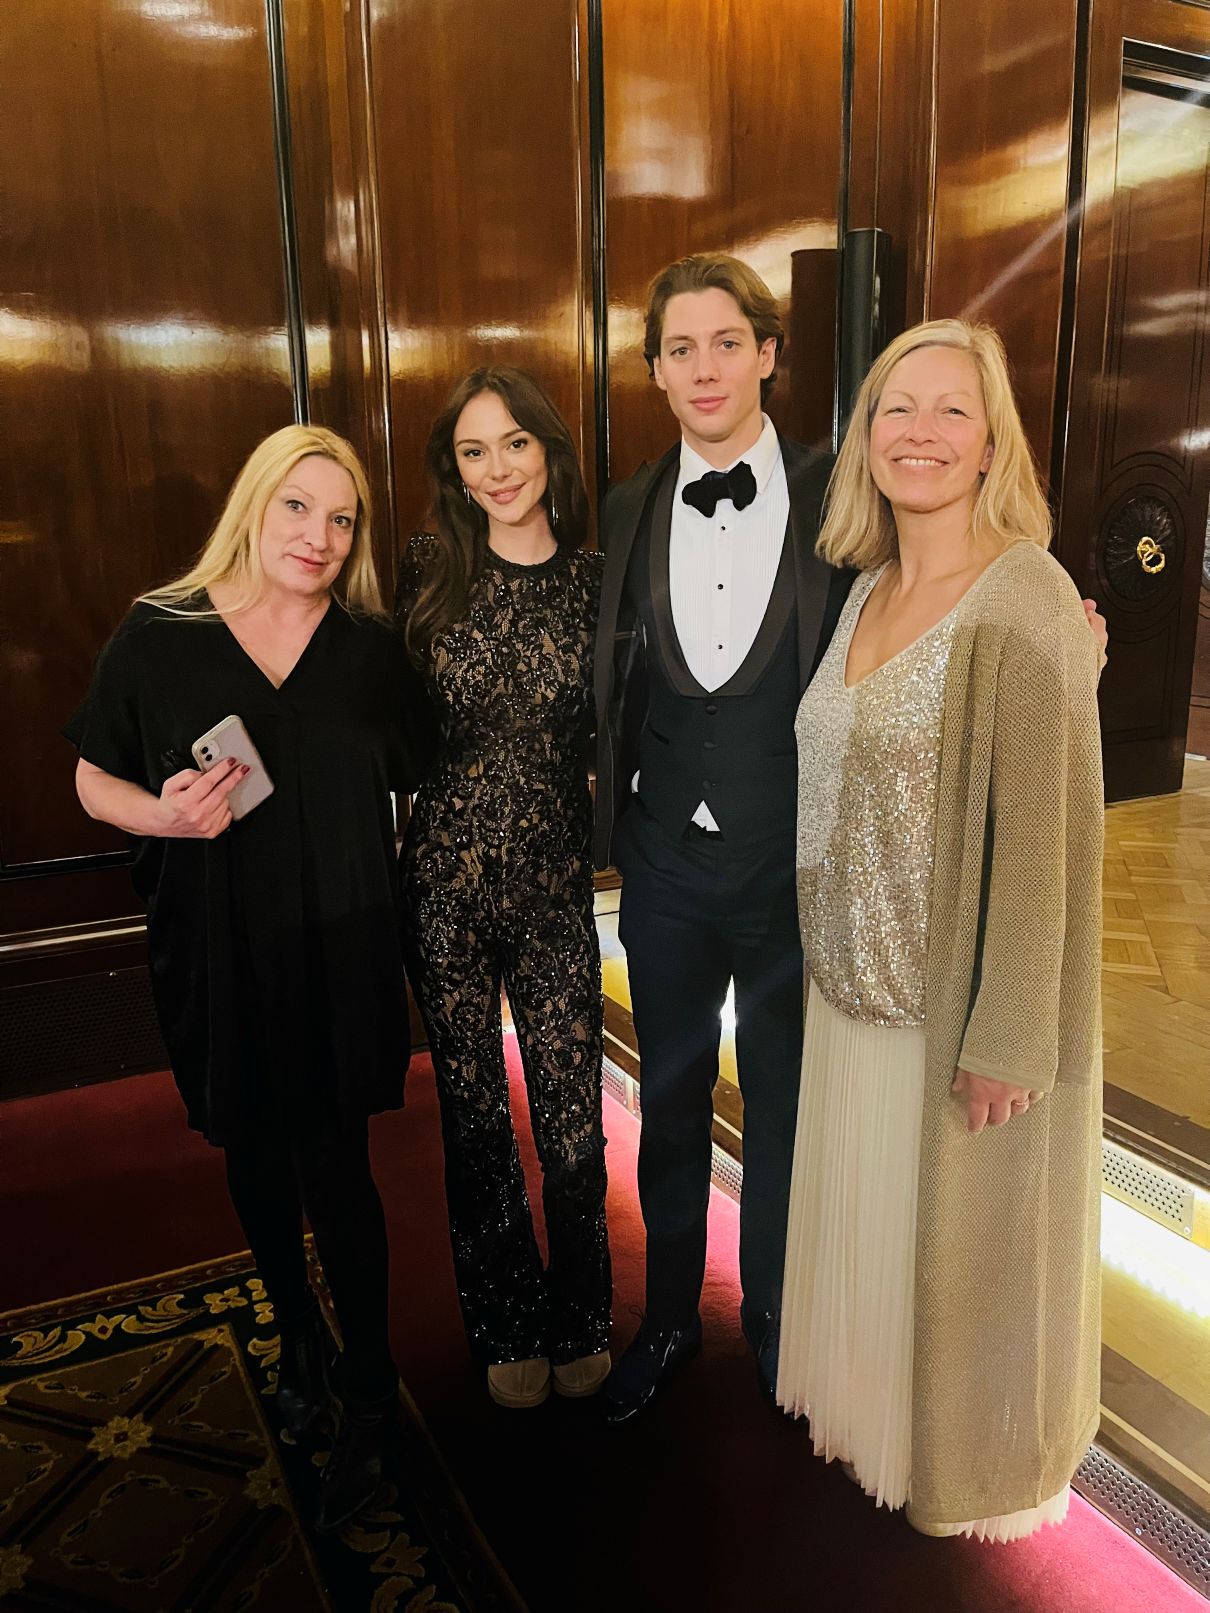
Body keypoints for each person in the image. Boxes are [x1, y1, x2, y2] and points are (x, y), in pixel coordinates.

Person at [593, 253, 1107, 1425]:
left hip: (798, 872)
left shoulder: (851, 494)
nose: (705, 366)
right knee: (667, 1103)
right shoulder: (627, 503)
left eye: (729, 341)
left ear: (769, 353)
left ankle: (781, 1324)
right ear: (657, 370)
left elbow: (966, 602)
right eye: (681, 348)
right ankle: (667, 1316)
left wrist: (1068, 643)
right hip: (665, 859)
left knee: (787, 1113)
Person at [65, 424, 434, 1533]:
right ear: (253, 504)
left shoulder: (371, 648)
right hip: (219, 943)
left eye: (342, 519)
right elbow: (90, 774)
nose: (318, 536)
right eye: (297, 508)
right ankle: (296, 1338)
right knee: (255, 1154)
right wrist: (163, 813)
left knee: (338, 1168)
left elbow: (419, 772)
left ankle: (369, 1388)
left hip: (338, 942)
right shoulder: (159, 632)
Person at [776, 319, 1104, 1541]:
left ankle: (967, 1464)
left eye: (949, 410)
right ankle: (877, 1432)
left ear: (988, 444)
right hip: (850, 992)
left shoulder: (1023, 593)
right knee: (876, 1257)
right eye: (893, 409)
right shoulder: (868, 585)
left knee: (961, 1262)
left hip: (948, 1010)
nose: (917, 431)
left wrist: (1011, 1028)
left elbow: (1050, 838)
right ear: (864, 441)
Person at [398, 366, 612, 1410]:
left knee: (574, 1122)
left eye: (514, 444)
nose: (497, 470)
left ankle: (581, 1314)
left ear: (548, 450)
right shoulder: (426, 571)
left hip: (556, 890)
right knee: (477, 1119)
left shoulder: (595, 581)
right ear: (454, 466)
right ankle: (505, 1322)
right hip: (441, 885)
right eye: (473, 451)